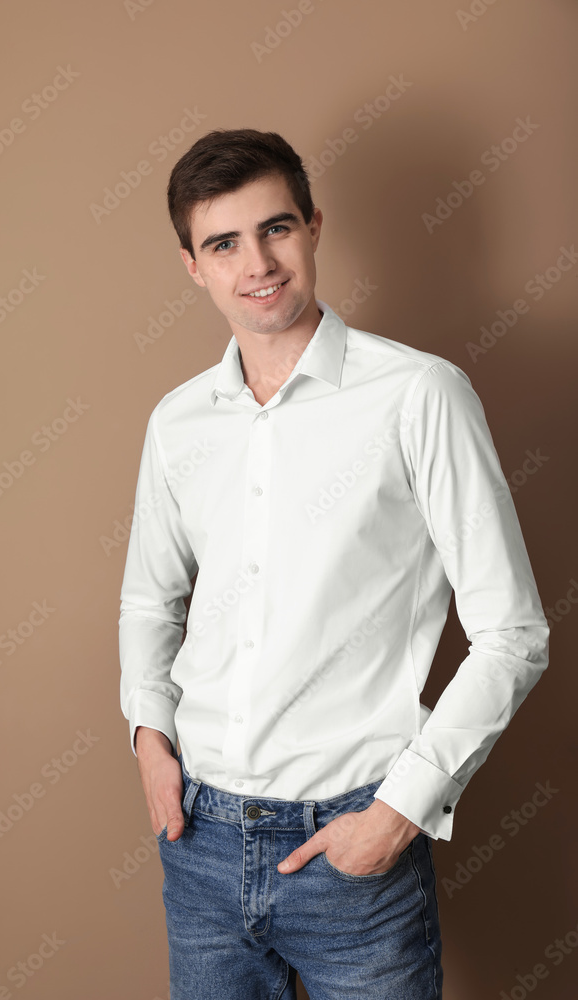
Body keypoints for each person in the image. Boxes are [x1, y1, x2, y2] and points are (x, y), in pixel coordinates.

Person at [118, 128, 549, 999]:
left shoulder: (418, 395)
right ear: (191, 265)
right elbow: (148, 601)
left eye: (275, 228)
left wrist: (395, 814)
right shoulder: (177, 422)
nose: (257, 262)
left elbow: (511, 633)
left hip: (350, 853)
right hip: (196, 846)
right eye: (223, 242)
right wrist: (147, 740)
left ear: (313, 226)